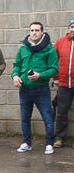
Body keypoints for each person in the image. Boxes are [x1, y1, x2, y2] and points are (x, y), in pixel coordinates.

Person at [12, 21, 58, 154]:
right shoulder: (23, 48)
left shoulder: (49, 49)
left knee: (47, 118)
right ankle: (26, 142)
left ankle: (49, 143)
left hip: (41, 89)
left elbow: (54, 69)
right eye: (32, 30)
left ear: (42, 32)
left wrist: (41, 75)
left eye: (37, 30)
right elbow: (17, 65)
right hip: (25, 89)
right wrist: (15, 76)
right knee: (25, 118)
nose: (34, 32)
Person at [50, 19, 74, 148]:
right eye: (72, 26)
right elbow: (53, 62)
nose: (73, 29)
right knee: (62, 112)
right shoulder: (60, 43)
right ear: (69, 28)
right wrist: (56, 78)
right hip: (64, 84)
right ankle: (59, 138)